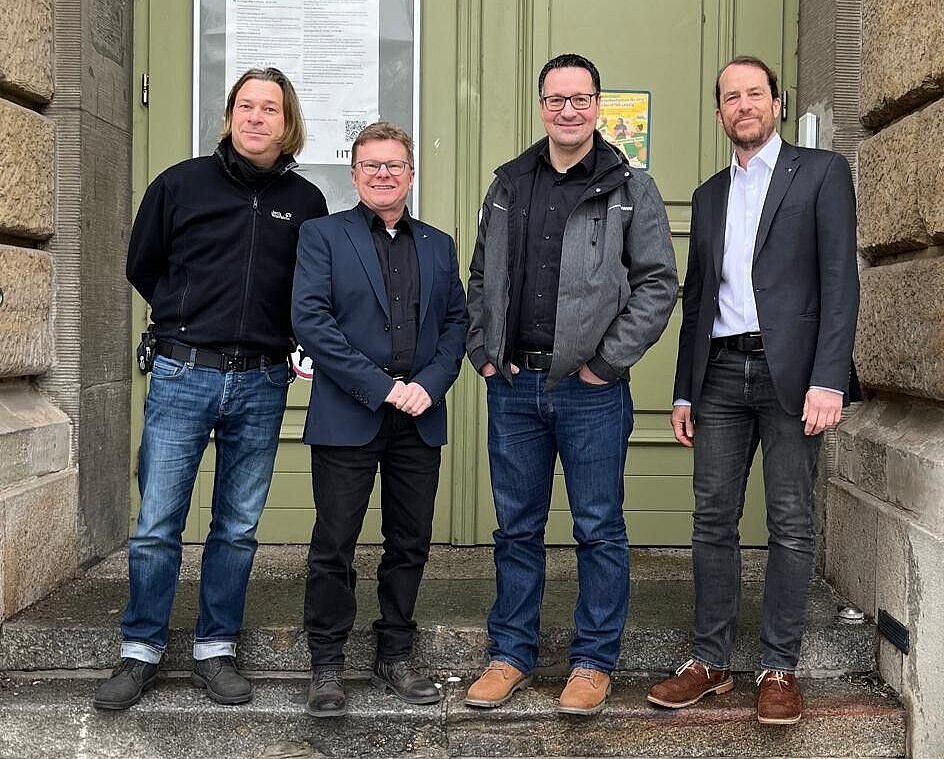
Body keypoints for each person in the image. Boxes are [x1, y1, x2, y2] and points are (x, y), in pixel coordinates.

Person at [93, 68, 328, 710]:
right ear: (229, 116)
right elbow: (143, 264)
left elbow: (309, 288)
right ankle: (140, 650)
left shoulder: (306, 202)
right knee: (157, 522)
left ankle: (215, 649)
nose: (256, 118)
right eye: (245, 106)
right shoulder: (180, 184)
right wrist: (185, 318)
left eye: (270, 109)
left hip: (262, 379)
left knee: (238, 526)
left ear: (287, 123)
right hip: (183, 373)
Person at [647, 56, 858, 725]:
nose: (744, 105)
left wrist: (829, 377)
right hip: (719, 374)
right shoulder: (709, 194)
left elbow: (841, 282)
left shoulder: (821, 173)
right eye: (731, 97)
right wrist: (683, 391)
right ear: (719, 114)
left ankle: (778, 666)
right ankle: (710, 661)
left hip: (792, 375)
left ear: (776, 103)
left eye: (755, 93)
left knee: (790, 522)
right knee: (712, 519)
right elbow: (697, 298)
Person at [464, 53, 678, 716]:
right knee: (516, 528)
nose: (568, 110)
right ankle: (510, 654)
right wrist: (484, 351)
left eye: (580, 99)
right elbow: (481, 276)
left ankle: (592, 663)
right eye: (556, 99)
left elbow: (658, 284)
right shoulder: (508, 183)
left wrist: (605, 364)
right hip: (514, 386)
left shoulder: (630, 187)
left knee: (598, 528)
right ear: (541, 106)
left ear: (597, 105)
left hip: (592, 392)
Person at [291, 122, 467, 717]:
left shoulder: (439, 245)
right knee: (334, 543)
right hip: (350, 413)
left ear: (411, 175)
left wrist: (428, 386)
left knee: (409, 542)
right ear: (355, 174)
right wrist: (381, 387)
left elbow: (456, 324)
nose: (383, 174)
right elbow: (312, 320)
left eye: (394, 165)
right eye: (371, 165)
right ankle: (327, 662)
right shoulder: (323, 236)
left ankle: (395, 654)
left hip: (418, 416)